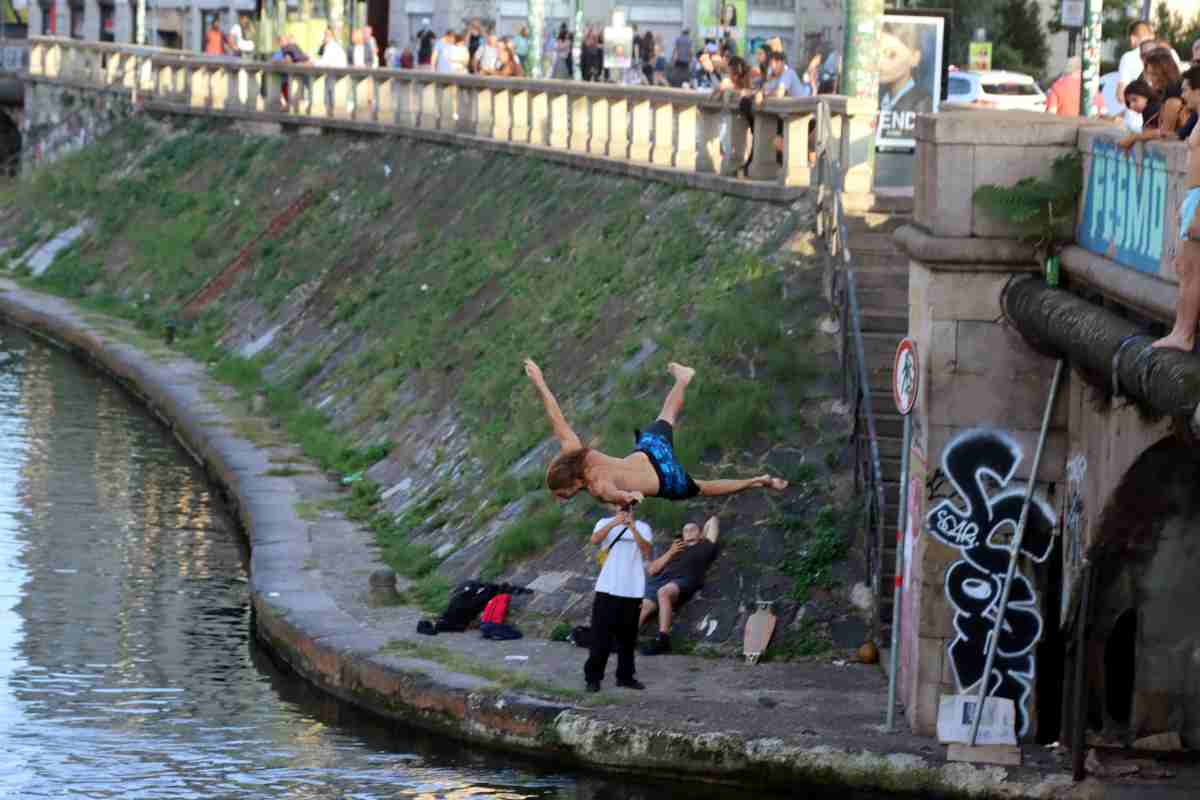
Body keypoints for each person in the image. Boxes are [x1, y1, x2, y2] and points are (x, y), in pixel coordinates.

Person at [524, 359, 788, 507]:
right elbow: (556, 418)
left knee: (704, 488)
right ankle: (683, 378)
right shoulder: (575, 453)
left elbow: (614, 494)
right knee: (666, 415)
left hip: (667, 479)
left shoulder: (597, 487)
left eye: (563, 494)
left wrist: (627, 499)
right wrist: (540, 381)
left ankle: (759, 480)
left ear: (574, 483)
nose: (562, 500)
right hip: (651, 453)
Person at [1154, 65, 1200, 352]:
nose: (1182, 95)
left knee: (1191, 269)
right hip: (1194, 195)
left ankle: (1183, 333)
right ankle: (1180, 330)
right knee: (1185, 267)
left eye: (1186, 89)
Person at [584, 509, 653, 692]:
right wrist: (615, 522)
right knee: (600, 637)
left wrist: (632, 528)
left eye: (628, 507)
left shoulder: (643, 527)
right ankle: (593, 679)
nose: (625, 510)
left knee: (628, 638)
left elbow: (647, 552)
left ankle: (625, 677)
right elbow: (594, 540)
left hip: (633, 590)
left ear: (634, 509)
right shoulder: (603, 522)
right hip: (607, 588)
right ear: (615, 507)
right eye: (621, 506)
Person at [640, 516, 720, 655]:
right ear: (682, 535)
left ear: (700, 533)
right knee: (643, 607)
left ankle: (663, 639)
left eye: (692, 529)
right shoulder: (676, 548)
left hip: (685, 579)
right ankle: (623, 640)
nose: (688, 531)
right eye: (685, 530)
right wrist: (671, 552)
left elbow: (713, 520)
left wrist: (701, 534)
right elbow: (653, 570)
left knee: (663, 592)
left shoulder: (705, 546)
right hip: (661, 579)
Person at [1118, 50, 1186, 149]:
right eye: (1149, 74)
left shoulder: (1174, 94)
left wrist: (1134, 137)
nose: (1150, 79)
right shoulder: (1167, 92)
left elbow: (1165, 133)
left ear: (1166, 73)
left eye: (1154, 74)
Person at [877, 21, 932, 142]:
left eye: (891, 55)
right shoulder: (881, 98)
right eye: (877, 53)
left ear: (914, 58)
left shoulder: (922, 102)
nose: (879, 63)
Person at [1118, 21, 1156, 132]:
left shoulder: (1128, 57)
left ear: (1132, 38)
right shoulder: (1171, 53)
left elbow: (1121, 95)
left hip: (1137, 124)